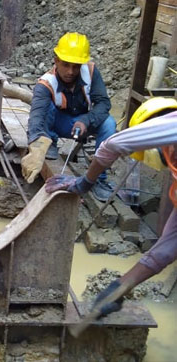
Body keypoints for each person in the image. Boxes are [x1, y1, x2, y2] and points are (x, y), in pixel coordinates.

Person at [45, 97, 177, 317]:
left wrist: (84, 182)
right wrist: (119, 288)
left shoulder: (170, 125)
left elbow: (112, 145)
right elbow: (166, 250)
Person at [21, 32, 117, 202]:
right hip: (59, 123)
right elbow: (36, 117)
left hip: (82, 123)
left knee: (109, 124)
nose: (71, 71)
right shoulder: (46, 83)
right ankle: (50, 143)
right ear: (56, 60)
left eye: (76, 66)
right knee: (47, 107)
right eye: (65, 65)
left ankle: (99, 179)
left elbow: (103, 103)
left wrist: (86, 120)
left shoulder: (91, 72)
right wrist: (36, 146)